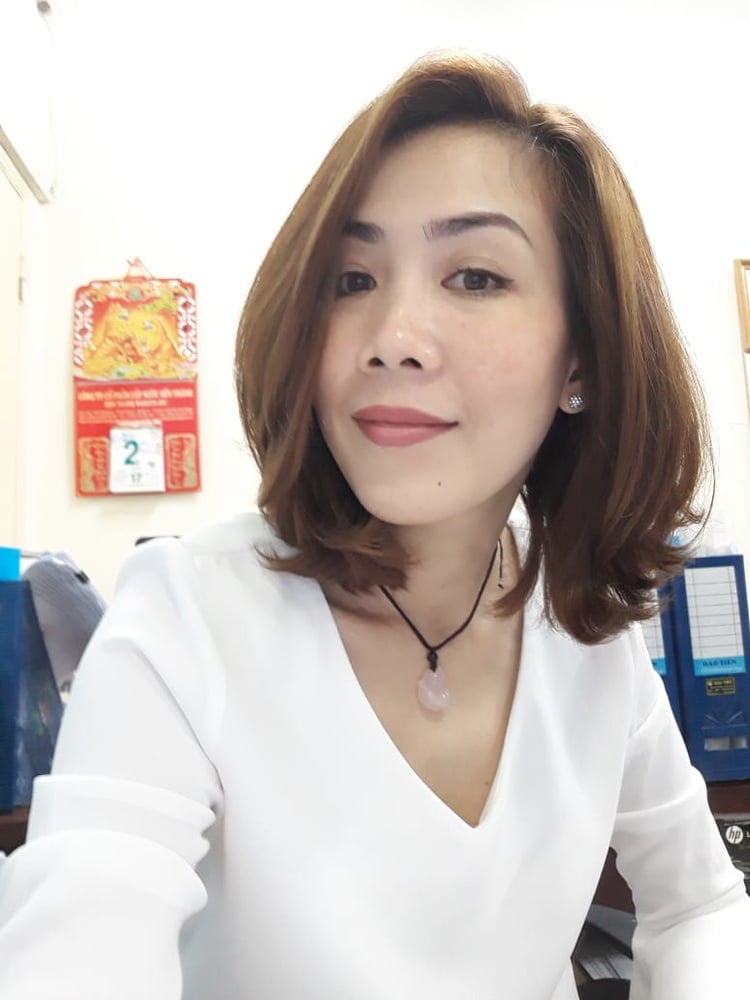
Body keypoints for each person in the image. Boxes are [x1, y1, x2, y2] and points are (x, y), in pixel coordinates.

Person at [0, 49, 747, 1000]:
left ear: (582, 362)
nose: (391, 338)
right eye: (350, 279)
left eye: (474, 277)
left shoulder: (586, 632)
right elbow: (84, 922)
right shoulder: (187, 617)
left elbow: (700, 904)